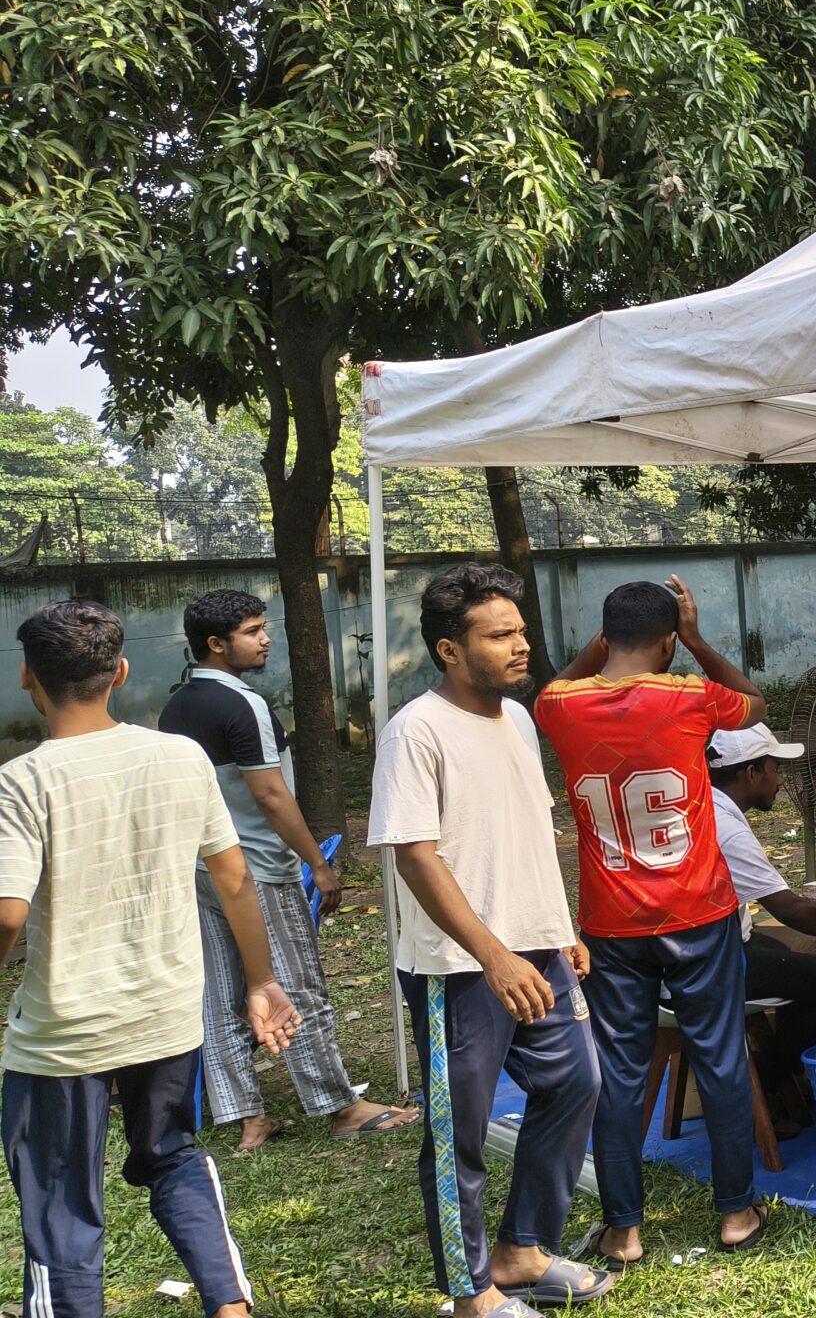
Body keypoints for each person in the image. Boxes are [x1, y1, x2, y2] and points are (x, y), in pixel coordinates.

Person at [0, 600, 300, 1318]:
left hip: (62, 1033)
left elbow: (8, 914)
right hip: (166, 1015)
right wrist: (261, 980)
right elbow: (233, 877)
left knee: (61, 1195)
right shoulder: (179, 755)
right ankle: (229, 1304)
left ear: (26, 677)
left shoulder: (23, 781)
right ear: (121, 673)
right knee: (172, 1156)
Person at [371, 565, 607, 1315]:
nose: (519, 646)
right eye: (499, 634)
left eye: (521, 632)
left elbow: (530, 830)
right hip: (459, 967)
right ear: (448, 648)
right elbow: (415, 854)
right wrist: (492, 953)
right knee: (458, 1134)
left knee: (577, 1084)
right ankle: (470, 1294)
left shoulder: (519, 719)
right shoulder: (415, 732)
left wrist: (557, 928)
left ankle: (521, 1250)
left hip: (535, 950)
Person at [536, 577, 769, 1262]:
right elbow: (755, 704)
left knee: (618, 1070)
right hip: (698, 911)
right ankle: (734, 1215)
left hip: (610, 923)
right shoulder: (691, 695)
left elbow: (562, 682)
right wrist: (694, 638)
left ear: (605, 636)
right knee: (721, 1059)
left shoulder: (556, 706)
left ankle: (625, 1230)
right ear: (669, 639)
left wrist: (605, 645)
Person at [160, 588, 418, 1153]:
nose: (265, 638)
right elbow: (272, 797)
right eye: (253, 631)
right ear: (216, 644)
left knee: (222, 992)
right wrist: (317, 863)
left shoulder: (176, 705)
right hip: (258, 871)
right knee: (297, 984)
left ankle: (245, 1116)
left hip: (201, 869)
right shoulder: (244, 704)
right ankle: (341, 1107)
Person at [705, 724, 816, 1102]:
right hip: (716, 962)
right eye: (774, 768)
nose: (780, 781)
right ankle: (765, 1085)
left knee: (796, 959)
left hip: (706, 946)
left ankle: (784, 1079)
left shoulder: (704, 804)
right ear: (751, 773)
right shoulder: (727, 828)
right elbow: (789, 909)